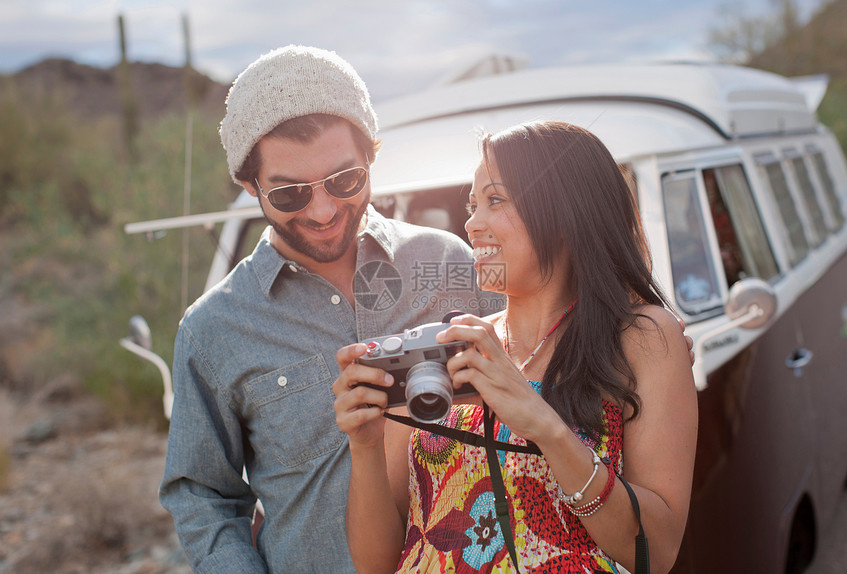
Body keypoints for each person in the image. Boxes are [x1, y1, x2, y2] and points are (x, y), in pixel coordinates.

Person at [158, 45, 504, 573]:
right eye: (290, 194)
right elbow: (205, 500)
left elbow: (536, 387)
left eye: (345, 181)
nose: (322, 212)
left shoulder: (450, 261)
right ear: (249, 185)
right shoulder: (212, 330)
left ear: (372, 156)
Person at [333, 121, 698, 573]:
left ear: (566, 213)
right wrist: (363, 448)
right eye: (472, 205)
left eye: (495, 200)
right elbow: (376, 565)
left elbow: (656, 554)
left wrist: (546, 427)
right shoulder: (445, 346)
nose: (472, 222)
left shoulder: (644, 338)